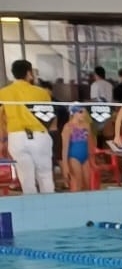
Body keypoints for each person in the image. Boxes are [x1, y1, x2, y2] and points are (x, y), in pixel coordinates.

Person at [0, 59, 57, 194]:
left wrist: (2, 137)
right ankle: (50, 209)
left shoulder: (3, 92)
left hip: (16, 137)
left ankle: (32, 211)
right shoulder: (42, 92)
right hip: (39, 136)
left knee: (26, 178)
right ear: (29, 73)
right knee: (45, 175)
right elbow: (49, 116)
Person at [62, 105, 94, 192]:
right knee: (78, 184)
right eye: (80, 112)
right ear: (74, 113)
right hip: (74, 157)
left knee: (87, 184)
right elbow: (65, 148)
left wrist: (92, 159)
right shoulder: (68, 127)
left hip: (85, 157)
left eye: (84, 112)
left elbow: (89, 144)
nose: (83, 114)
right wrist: (65, 166)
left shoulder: (86, 126)